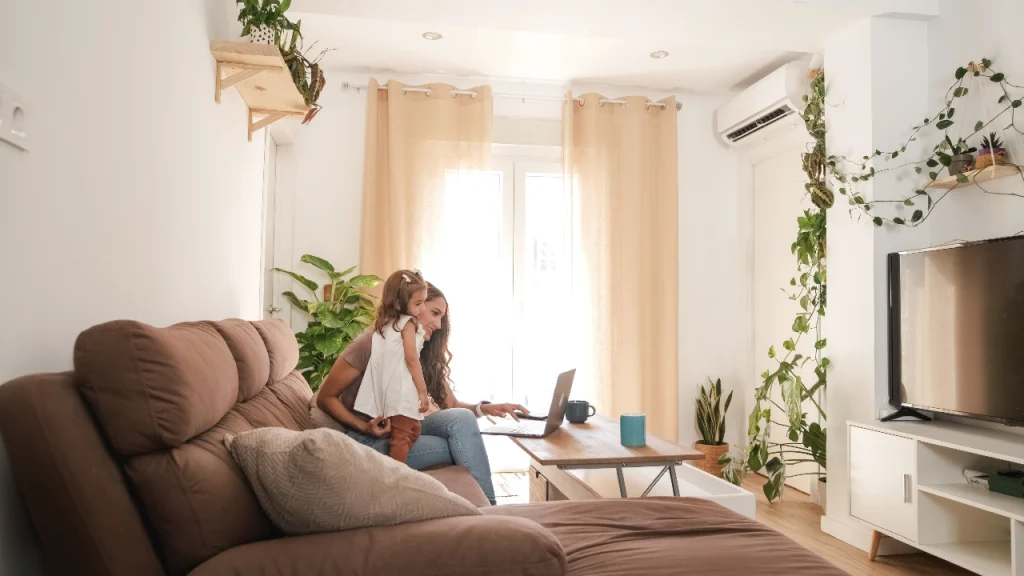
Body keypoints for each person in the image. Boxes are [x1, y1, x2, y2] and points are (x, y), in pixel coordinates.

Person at [312, 282, 528, 504]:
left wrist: (485, 409)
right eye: (435, 313)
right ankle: (488, 511)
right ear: (412, 306)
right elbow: (325, 398)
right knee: (459, 444)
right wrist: (364, 426)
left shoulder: (418, 350)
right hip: (367, 440)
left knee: (462, 419)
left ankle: (488, 509)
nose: (439, 324)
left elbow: (452, 405)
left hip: (404, 427)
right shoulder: (370, 344)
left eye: (442, 317)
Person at [352, 269, 431, 463]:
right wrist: (422, 391)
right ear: (398, 303)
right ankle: (396, 472)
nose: (423, 309)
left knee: (412, 431)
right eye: (418, 304)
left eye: (424, 302)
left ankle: (387, 462)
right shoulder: (408, 323)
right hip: (402, 391)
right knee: (402, 438)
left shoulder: (388, 325)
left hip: (391, 391)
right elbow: (411, 359)